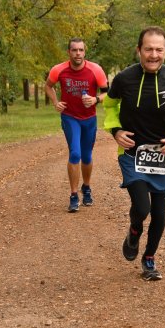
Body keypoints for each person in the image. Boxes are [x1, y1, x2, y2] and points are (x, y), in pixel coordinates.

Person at [103, 26, 165, 281]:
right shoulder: (123, 79)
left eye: (159, 49)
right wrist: (116, 130)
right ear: (139, 50)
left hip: (161, 155)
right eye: (148, 49)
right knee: (142, 207)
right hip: (132, 152)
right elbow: (110, 106)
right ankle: (134, 230)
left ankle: (149, 258)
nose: (154, 54)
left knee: (160, 213)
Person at [45, 38, 109, 212]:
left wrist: (95, 99)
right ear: (69, 52)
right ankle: (74, 195)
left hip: (89, 118)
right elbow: (48, 86)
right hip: (70, 117)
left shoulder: (95, 70)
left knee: (87, 156)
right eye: (74, 50)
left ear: (85, 52)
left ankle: (86, 187)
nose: (78, 53)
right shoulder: (59, 69)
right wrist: (55, 102)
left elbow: (106, 93)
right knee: (75, 153)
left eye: (81, 50)